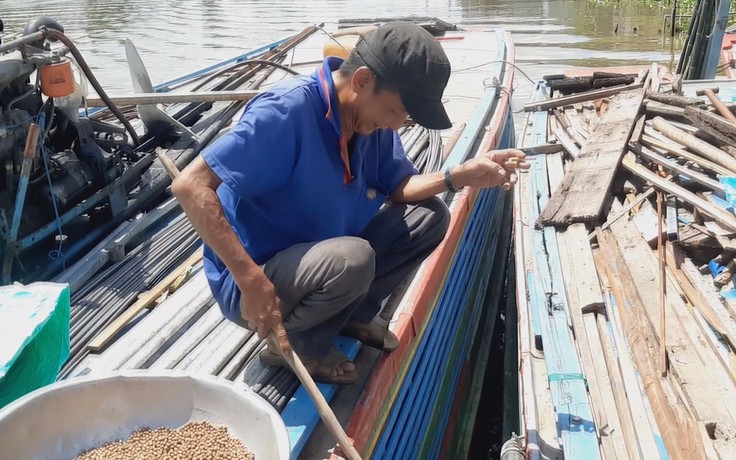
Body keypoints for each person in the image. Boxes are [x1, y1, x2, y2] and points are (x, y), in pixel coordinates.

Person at [172, 22, 528, 385]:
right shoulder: (286, 113)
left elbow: (399, 185)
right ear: (361, 81)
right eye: (395, 112)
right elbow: (191, 186)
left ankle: (353, 315)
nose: (396, 125)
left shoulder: (368, 124)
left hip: (329, 261)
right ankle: (296, 344)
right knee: (353, 259)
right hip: (259, 282)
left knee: (430, 216)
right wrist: (249, 279)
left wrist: (459, 176)